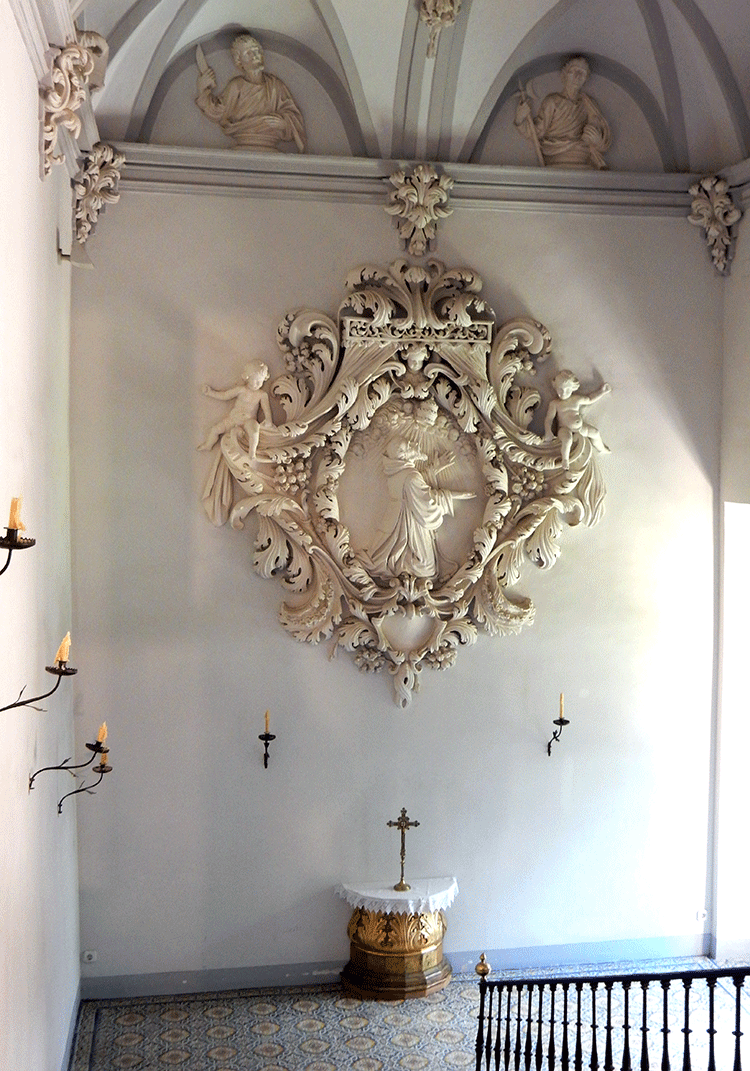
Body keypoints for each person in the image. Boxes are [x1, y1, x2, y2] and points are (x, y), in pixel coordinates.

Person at [369, 437, 474, 578]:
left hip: (397, 524)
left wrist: (434, 469)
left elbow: (416, 487)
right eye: (409, 445)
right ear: (404, 455)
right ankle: (403, 567)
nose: (415, 443)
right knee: (426, 568)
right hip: (412, 524)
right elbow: (426, 502)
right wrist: (452, 496)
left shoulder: (397, 473)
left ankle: (401, 563)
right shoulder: (411, 477)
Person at [195, 34, 305, 152]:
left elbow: (293, 115)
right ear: (239, 61)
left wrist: (284, 124)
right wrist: (202, 89)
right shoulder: (236, 86)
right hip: (243, 139)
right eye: (248, 53)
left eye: (257, 51)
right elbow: (218, 111)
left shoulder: (275, 86)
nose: (255, 56)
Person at [515, 56, 611, 169]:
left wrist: (597, 141)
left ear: (586, 78)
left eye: (582, 73)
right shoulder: (552, 101)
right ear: (565, 74)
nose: (577, 76)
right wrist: (519, 118)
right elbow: (537, 132)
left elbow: (598, 133)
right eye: (574, 71)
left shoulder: (588, 104)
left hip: (580, 154)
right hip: (555, 152)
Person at [198, 360, 273, 459]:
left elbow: (266, 410)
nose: (258, 384)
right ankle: (208, 445)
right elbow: (224, 396)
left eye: (261, 381)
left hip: (249, 420)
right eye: (255, 380)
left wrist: (269, 421)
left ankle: (252, 453)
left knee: (254, 431)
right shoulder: (241, 390)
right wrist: (210, 393)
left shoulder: (262, 395)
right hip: (233, 418)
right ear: (247, 377)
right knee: (215, 429)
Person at [544, 370, 611, 469]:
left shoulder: (575, 399)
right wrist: (548, 432)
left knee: (595, 433)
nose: (563, 393)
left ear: (573, 388)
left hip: (580, 427)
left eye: (567, 390)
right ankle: (565, 460)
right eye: (560, 389)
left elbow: (589, 399)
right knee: (567, 440)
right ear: (555, 387)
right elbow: (549, 419)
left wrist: (602, 392)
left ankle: (601, 448)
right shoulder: (555, 404)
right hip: (564, 429)